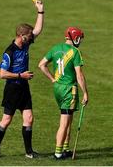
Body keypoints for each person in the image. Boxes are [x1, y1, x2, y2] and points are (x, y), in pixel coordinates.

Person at [0, 0, 44, 159]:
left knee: (29, 118)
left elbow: (37, 30)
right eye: (29, 37)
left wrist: (40, 11)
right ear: (22, 36)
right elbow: (2, 74)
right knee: (6, 120)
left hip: (24, 88)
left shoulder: (26, 44)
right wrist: (21, 75)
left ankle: (29, 152)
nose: (31, 38)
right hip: (13, 88)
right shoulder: (9, 52)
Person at [38, 27, 88, 160]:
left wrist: (52, 78)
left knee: (69, 119)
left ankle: (65, 149)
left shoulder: (55, 48)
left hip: (58, 89)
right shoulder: (75, 52)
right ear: (75, 38)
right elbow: (79, 75)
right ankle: (58, 153)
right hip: (68, 90)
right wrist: (85, 93)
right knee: (64, 122)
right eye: (79, 39)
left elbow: (41, 65)